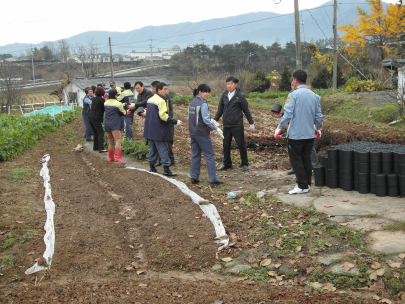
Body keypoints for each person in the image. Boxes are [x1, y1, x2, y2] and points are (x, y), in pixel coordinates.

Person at [274, 70, 323, 194]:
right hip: (309, 134)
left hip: (296, 135)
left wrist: (279, 127)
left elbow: (288, 114)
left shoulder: (293, 95)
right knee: (306, 159)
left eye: (292, 80)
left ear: (295, 80)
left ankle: (301, 185)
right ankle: (306, 184)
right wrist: (318, 128)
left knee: (296, 160)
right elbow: (318, 116)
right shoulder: (314, 96)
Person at [213, 76, 255, 172]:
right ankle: (227, 163)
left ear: (235, 84)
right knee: (226, 145)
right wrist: (215, 120)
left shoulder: (240, 96)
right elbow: (220, 110)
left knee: (240, 144)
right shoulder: (224, 95)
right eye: (227, 84)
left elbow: (246, 110)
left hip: (237, 125)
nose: (229, 86)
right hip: (227, 125)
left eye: (231, 84)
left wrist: (251, 122)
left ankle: (244, 163)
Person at [143, 82, 184, 176]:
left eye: (167, 89)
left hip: (150, 129)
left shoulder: (150, 100)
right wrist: (176, 121)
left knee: (153, 148)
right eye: (165, 89)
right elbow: (163, 116)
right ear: (159, 90)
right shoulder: (161, 101)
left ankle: (152, 166)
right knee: (163, 149)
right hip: (159, 130)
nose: (167, 91)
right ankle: (166, 169)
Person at [189, 84, 224, 186]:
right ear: (199, 92)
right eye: (205, 92)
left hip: (193, 133)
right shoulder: (203, 104)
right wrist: (216, 128)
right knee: (209, 156)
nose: (207, 94)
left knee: (195, 155)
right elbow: (205, 120)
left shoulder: (192, 103)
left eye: (208, 92)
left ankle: (194, 177)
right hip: (202, 133)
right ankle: (213, 179)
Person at [104, 89, 126, 164]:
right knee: (118, 140)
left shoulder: (106, 103)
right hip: (115, 124)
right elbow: (124, 113)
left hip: (107, 123)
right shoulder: (118, 103)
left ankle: (111, 157)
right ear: (115, 95)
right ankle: (118, 157)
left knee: (110, 141)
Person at [89, 87, 107, 153]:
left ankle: (95, 147)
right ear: (102, 92)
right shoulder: (102, 100)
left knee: (95, 132)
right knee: (101, 132)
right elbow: (104, 109)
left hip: (90, 117)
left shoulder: (93, 99)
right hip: (96, 117)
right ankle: (101, 148)